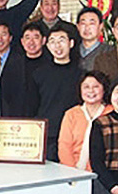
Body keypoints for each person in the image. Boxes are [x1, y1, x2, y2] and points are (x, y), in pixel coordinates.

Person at [28, 25, 83, 162]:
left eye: (61, 40)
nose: (57, 45)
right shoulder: (39, 74)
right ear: (47, 46)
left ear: (71, 43)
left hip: (73, 134)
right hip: (47, 134)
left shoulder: (81, 75)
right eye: (52, 41)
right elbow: (32, 106)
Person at [58, 71, 113, 171]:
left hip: (105, 172)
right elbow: (64, 146)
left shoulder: (112, 112)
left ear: (104, 89)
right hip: (73, 171)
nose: (91, 91)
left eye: (96, 87)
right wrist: (72, 172)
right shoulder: (71, 114)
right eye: (86, 87)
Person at [76, 7, 113, 71]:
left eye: (92, 23)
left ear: (101, 26)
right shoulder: (71, 51)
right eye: (83, 23)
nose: (87, 28)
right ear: (78, 26)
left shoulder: (110, 52)